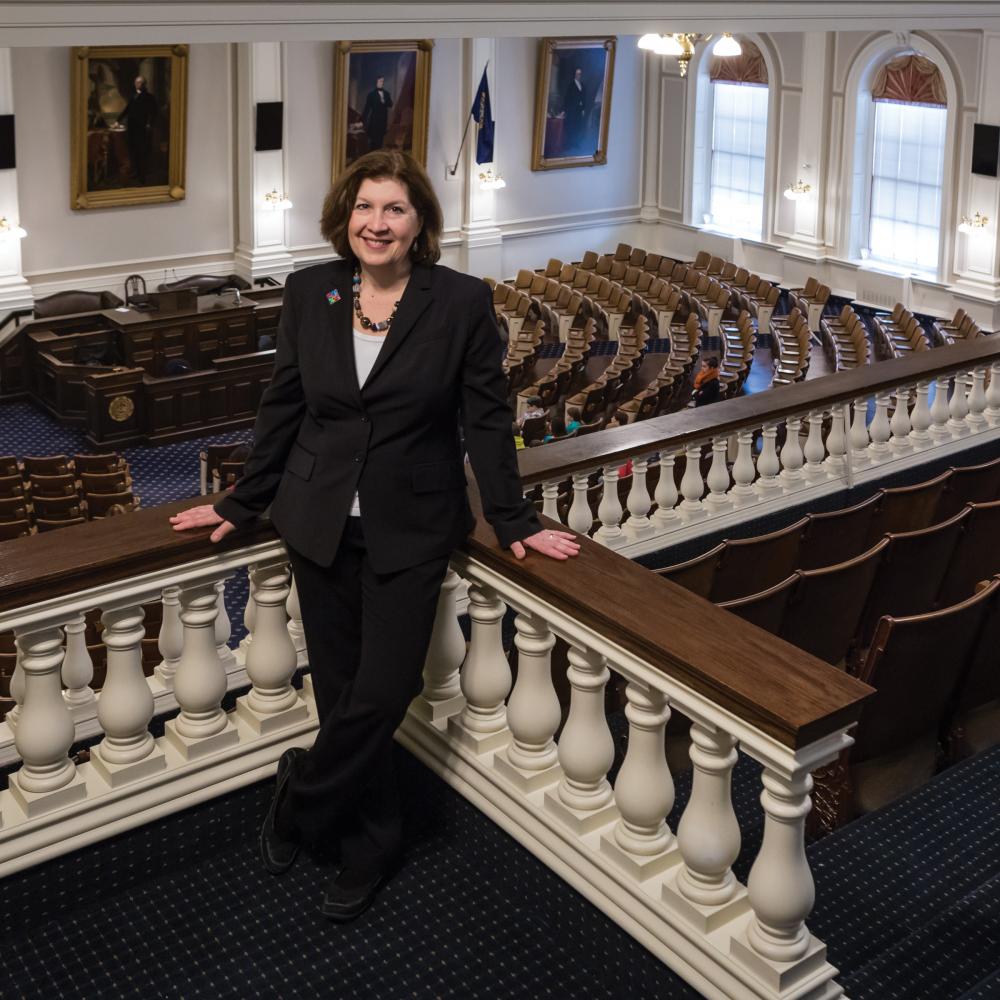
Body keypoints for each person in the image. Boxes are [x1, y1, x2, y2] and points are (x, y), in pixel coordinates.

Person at [169, 149, 579, 923]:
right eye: (365, 208)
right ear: (344, 217)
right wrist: (239, 502)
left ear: (420, 222)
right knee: (340, 690)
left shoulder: (459, 302)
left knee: (385, 693)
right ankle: (373, 838)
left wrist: (513, 518)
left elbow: (485, 420)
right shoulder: (309, 291)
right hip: (317, 520)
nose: (376, 224)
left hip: (413, 522)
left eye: (394, 209)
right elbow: (283, 407)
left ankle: (298, 801)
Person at [118, 75, 158, 185]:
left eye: (140, 82)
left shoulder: (150, 97)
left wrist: (149, 123)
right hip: (132, 128)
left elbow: (154, 112)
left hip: (142, 129)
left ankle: (142, 177)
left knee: (142, 152)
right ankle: (135, 171)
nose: (137, 84)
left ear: (144, 84)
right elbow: (127, 109)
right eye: (136, 82)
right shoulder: (134, 96)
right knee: (133, 151)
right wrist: (118, 120)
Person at [561, 67, 589, 155]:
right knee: (571, 126)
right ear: (575, 74)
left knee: (578, 126)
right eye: (577, 73)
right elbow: (567, 98)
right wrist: (565, 110)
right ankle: (569, 144)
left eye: (580, 73)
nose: (578, 75)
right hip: (572, 109)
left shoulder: (582, 85)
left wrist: (583, 109)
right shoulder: (571, 85)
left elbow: (584, 98)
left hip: (579, 110)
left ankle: (575, 143)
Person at [361, 75, 393, 151]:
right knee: (373, 143)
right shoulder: (371, 95)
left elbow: (390, 104)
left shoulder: (386, 94)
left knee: (380, 142)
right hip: (374, 122)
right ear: (376, 82)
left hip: (383, 122)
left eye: (382, 81)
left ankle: (378, 159)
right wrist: (362, 121)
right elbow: (367, 109)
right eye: (380, 81)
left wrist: (384, 101)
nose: (381, 83)